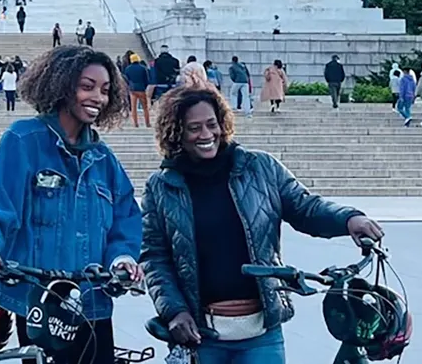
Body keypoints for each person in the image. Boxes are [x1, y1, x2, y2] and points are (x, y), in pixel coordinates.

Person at [139, 80, 385, 363]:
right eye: (194, 128)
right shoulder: (161, 186)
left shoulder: (261, 168)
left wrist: (349, 219)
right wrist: (174, 311)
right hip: (201, 336)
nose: (206, 134)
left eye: (211, 124)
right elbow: (154, 258)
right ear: (176, 134)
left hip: (261, 334)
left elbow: (305, 207)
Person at [0, 45, 142, 364]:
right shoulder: (23, 140)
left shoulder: (104, 158)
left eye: (104, 90)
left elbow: (125, 219)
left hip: (91, 302)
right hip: (38, 302)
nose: (98, 98)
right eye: (87, 87)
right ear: (62, 86)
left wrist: (123, 258)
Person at [123, 53, 151, 127]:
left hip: (132, 90)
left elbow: (126, 79)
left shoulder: (128, 68)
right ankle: (147, 123)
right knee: (145, 108)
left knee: (133, 108)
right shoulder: (143, 68)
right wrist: (145, 86)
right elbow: (147, 79)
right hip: (141, 89)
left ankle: (135, 123)